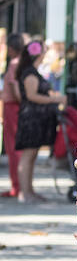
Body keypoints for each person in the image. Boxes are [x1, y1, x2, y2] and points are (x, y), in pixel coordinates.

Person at [15, 40, 66, 203]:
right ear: (38, 53)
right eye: (44, 51)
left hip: (36, 119)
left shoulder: (33, 72)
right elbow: (31, 96)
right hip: (31, 119)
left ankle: (29, 191)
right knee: (28, 155)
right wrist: (55, 99)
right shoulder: (30, 73)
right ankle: (24, 193)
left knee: (32, 155)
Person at [1, 33, 24, 198]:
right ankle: (17, 185)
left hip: (13, 108)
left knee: (13, 148)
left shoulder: (15, 64)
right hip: (13, 107)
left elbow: (16, 89)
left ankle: (17, 186)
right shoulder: (19, 63)